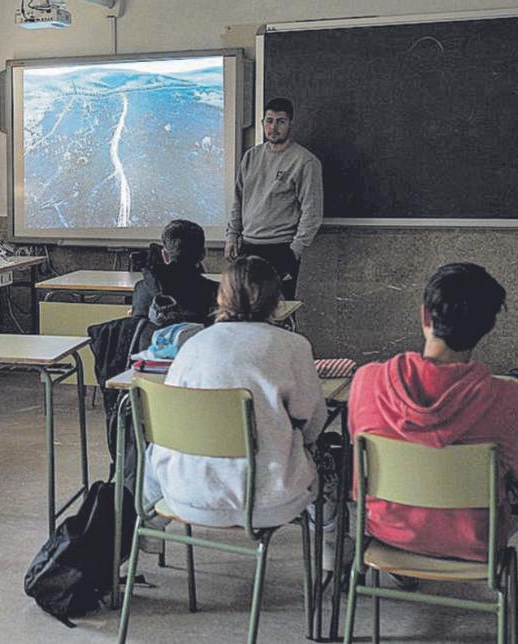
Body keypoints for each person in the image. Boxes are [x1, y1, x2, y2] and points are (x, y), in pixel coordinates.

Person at [349, 262, 518, 561]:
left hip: (383, 530)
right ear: (487, 327)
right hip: (475, 540)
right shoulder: (512, 398)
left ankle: (398, 566)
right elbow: (512, 470)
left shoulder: (367, 380)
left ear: (424, 315)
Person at [144, 256, 326, 527]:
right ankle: (331, 546)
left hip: (185, 494)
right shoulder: (293, 346)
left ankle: (148, 523)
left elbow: (172, 422)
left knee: (154, 449)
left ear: (221, 297)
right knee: (327, 456)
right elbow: (313, 422)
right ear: (276, 299)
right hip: (267, 501)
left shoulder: (194, 345)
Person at [224, 97, 323, 299]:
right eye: (269, 121)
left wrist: (295, 250)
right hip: (248, 245)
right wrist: (232, 235)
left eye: (280, 121)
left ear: (290, 124)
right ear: (262, 123)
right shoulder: (251, 157)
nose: (274, 127)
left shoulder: (305, 161)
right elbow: (238, 199)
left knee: (279, 311)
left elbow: (312, 211)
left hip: (281, 248)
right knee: (244, 311)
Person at [131, 218, 218, 324]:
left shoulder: (143, 289)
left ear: (165, 255)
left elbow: (137, 331)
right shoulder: (218, 292)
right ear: (203, 254)